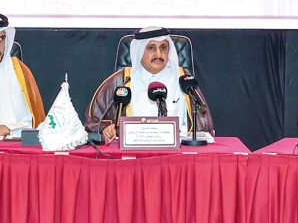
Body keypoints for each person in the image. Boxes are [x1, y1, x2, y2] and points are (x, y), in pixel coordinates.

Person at [85, 26, 214, 141]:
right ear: (140, 51)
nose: (159, 54)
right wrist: (106, 128)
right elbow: (93, 121)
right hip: (133, 154)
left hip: (178, 153)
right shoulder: (122, 80)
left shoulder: (184, 80)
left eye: (163, 48)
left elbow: (204, 123)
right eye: (151, 48)